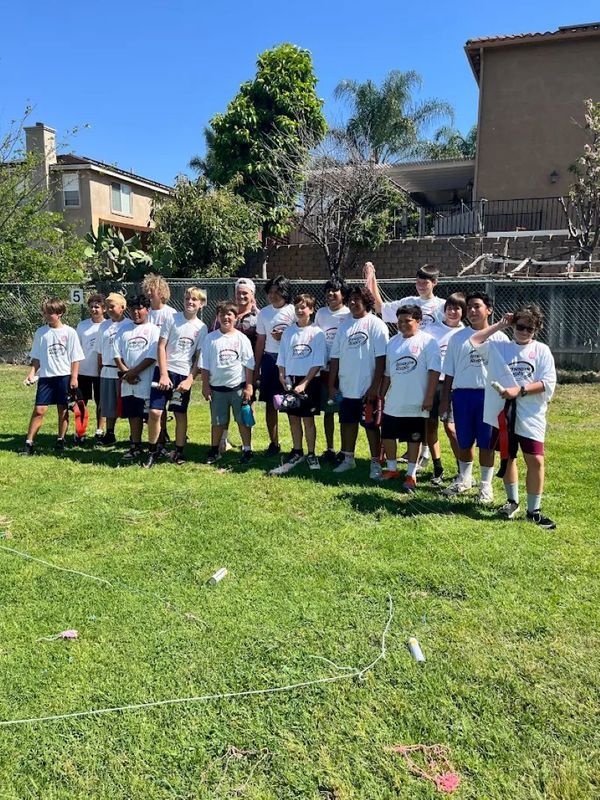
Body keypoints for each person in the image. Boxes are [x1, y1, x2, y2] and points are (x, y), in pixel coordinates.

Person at [470, 305, 557, 529]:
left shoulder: (542, 350)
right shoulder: (500, 347)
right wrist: (500, 324)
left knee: (535, 460)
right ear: (513, 325)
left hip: (531, 413)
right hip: (504, 414)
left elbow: (547, 382)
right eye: (520, 326)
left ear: (536, 330)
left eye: (529, 328)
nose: (523, 331)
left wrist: (519, 391)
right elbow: (475, 341)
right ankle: (512, 501)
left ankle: (533, 510)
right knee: (509, 457)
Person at [440, 292, 508, 502]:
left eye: (477, 306)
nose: (472, 311)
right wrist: (445, 400)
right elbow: (449, 372)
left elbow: (507, 373)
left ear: (489, 310)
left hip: (489, 397)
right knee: (464, 440)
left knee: (487, 443)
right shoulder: (458, 338)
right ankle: (464, 479)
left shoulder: (500, 338)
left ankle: (486, 486)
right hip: (462, 395)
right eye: (469, 307)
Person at [328, 285, 389, 479]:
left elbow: (381, 358)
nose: (354, 303)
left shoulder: (376, 324)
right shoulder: (344, 326)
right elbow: (335, 357)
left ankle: (375, 463)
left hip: (367, 388)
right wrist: (331, 384)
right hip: (347, 387)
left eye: (358, 299)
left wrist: (374, 386)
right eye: (351, 299)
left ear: (367, 301)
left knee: (371, 426)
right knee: (347, 423)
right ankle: (348, 459)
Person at [144, 288, 208, 469]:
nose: (190, 302)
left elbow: (199, 357)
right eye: (187, 298)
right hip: (164, 370)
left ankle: (178, 451)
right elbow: (161, 346)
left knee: (179, 414)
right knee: (155, 412)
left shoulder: (201, 328)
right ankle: (152, 451)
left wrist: (190, 380)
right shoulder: (172, 318)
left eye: (194, 300)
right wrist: (163, 374)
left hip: (182, 374)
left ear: (201, 304)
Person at [380, 306, 441, 493]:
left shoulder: (428, 342)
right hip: (394, 400)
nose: (403, 324)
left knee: (413, 438)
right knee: (388, 435)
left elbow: (434, 371)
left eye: (407, 321)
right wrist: (382, 395)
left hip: (417, 401)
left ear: (418, 321)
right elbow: (388, 374)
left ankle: (411, 474)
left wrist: (429, 397)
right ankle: (391, 469)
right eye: (400, 321)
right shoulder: (392, 343)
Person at [270, 293, 327, 475]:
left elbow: (317, 362)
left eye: (304, 307)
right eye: (297, 308)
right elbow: (282, 358)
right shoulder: (288, 332)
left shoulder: (317, 333)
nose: (300, 311)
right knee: (293, 419)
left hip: (309, 381)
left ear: (311, 310)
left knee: (308, 421)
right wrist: (281, 375)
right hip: (291, 380)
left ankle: (311, 453)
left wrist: (304, 383)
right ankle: (297, 451)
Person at [20, 298, 84, 456]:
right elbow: (36, 357)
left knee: (63, 409)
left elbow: (75, 357)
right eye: (45, 313)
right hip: (46, 378)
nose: (47, 316)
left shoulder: (69, 332)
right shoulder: (41, 332)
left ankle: (61, 439)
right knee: (39, 410)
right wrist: (31, 373)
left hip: (64, 376)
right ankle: (29, 443)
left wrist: (74, 377)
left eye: (51, 313)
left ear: (60, 313)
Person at [201, 301, 255, 465]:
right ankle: (214, 449)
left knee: (242, 420)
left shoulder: (242, 338)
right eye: (222, 314)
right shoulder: (210, 338)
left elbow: (249, 364)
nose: (226, 317)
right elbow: (204, 364)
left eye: (229, 314)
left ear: (236, 317)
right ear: (217, 317)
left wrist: (249, 386)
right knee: (218, 421)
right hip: (217, 389)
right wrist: (205, 385)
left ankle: (247, 449)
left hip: (238, 388)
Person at [423, 293, 466, 484]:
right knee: (430, 426)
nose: (453, 311)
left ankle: (462, 469)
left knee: (451, 428)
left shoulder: (466, 332)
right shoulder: (432, 330)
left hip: (454, 386)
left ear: (462, 312)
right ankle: (437, 467)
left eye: (457, 308)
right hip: (433, 383)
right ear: (444, 309)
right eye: (450, 307)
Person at [213, 277, 260, 454]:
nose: (241, 296)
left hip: (248, 369)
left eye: (245, 293)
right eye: (238, 293)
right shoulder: (224, 315)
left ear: (252, 295)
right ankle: (223, 440)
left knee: (248, 405)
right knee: (222, 408)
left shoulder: (258, 317)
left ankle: (248, 443)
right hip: (225, 370)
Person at [112, 295, 160, 462]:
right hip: (129, 381)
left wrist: (134, 373)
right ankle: (135, 446)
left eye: (140, 308)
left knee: (150, 416)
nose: (136, 312)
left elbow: (152, 356)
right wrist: (126, 372)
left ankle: (156, 446)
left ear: (147, 310)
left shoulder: (154, 330)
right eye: (133, 309)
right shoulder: (123, 330)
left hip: (145, 380)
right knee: (133, 414)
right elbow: (116, 354)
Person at [254, 275, 295, 456]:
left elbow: (303, 334)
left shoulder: (294, 310)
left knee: (293, 403)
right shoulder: (264, 313)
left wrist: (284, 336)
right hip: (270, 360)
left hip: (292, 360)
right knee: (271, 404)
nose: (272, 296)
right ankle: (274, 443)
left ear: (285, 293)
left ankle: (297, 446)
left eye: (277, 292)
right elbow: (261, 341)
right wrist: (256, 368)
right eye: (270, 292)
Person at [314, 278, 351, 462]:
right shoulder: (320, 313)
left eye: (334, 291)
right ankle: (329, 448)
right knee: (328, 410)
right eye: (327, 291)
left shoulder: (350, 313)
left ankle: (345, 451)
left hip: (345, 369)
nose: (330, 294)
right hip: (326, 369)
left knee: (344, 410)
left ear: (342, 294)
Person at [95, 292, 134, 445]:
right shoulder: (103, 326)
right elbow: (99, 350)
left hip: (125, 370)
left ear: (122, 307)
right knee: (108, 404)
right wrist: (100, 369)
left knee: (128, 403)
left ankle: (133, 435)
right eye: (108, 307)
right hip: (107, 369)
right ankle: (110, 433)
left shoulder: (129, 325)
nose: (109, 309)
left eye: (113, 306)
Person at [364, 261, 445, 330]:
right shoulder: (407, 303)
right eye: (418, 282)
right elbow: (379, 307)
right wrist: (371, 276)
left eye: (425, 283)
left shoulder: (442, 305)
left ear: (434, 282)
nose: (420, 286)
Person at [75, 293, 106, 443]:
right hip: (83, 370)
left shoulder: (108, 325)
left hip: (101, 371)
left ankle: (100, 430)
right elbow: (76, 348)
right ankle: (80, 431)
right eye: (91, 306)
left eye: (97, 307)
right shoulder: (82, 326)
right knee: (82, 402)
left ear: (104, 309)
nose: (94, 309)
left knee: (101, 402)